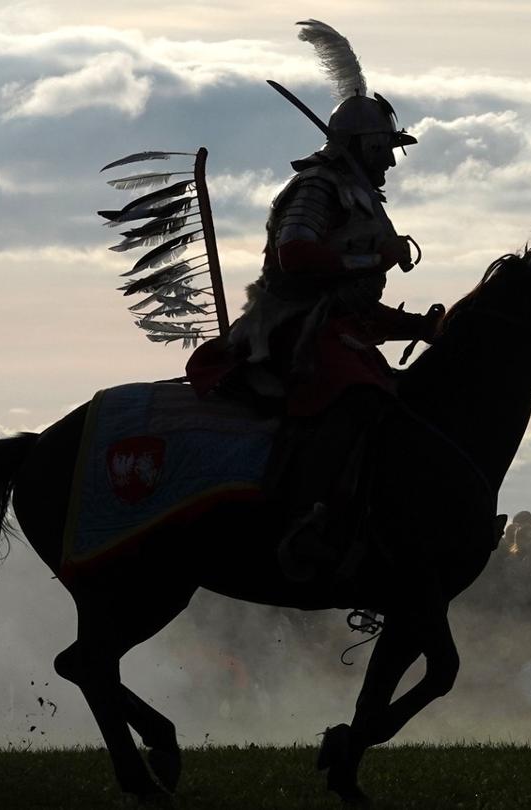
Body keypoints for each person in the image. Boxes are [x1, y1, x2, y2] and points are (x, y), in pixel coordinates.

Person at [182, 22, 442, 584]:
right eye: (385, 149)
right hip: (290, 326)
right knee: (356, 400)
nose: (391, 162)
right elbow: (296, 255)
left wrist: (418, 326)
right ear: (363, 146)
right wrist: (374, 260)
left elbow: (353, 307)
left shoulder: (357, 196)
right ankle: (306, 521)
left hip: (329, 325)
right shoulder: (318, 187)